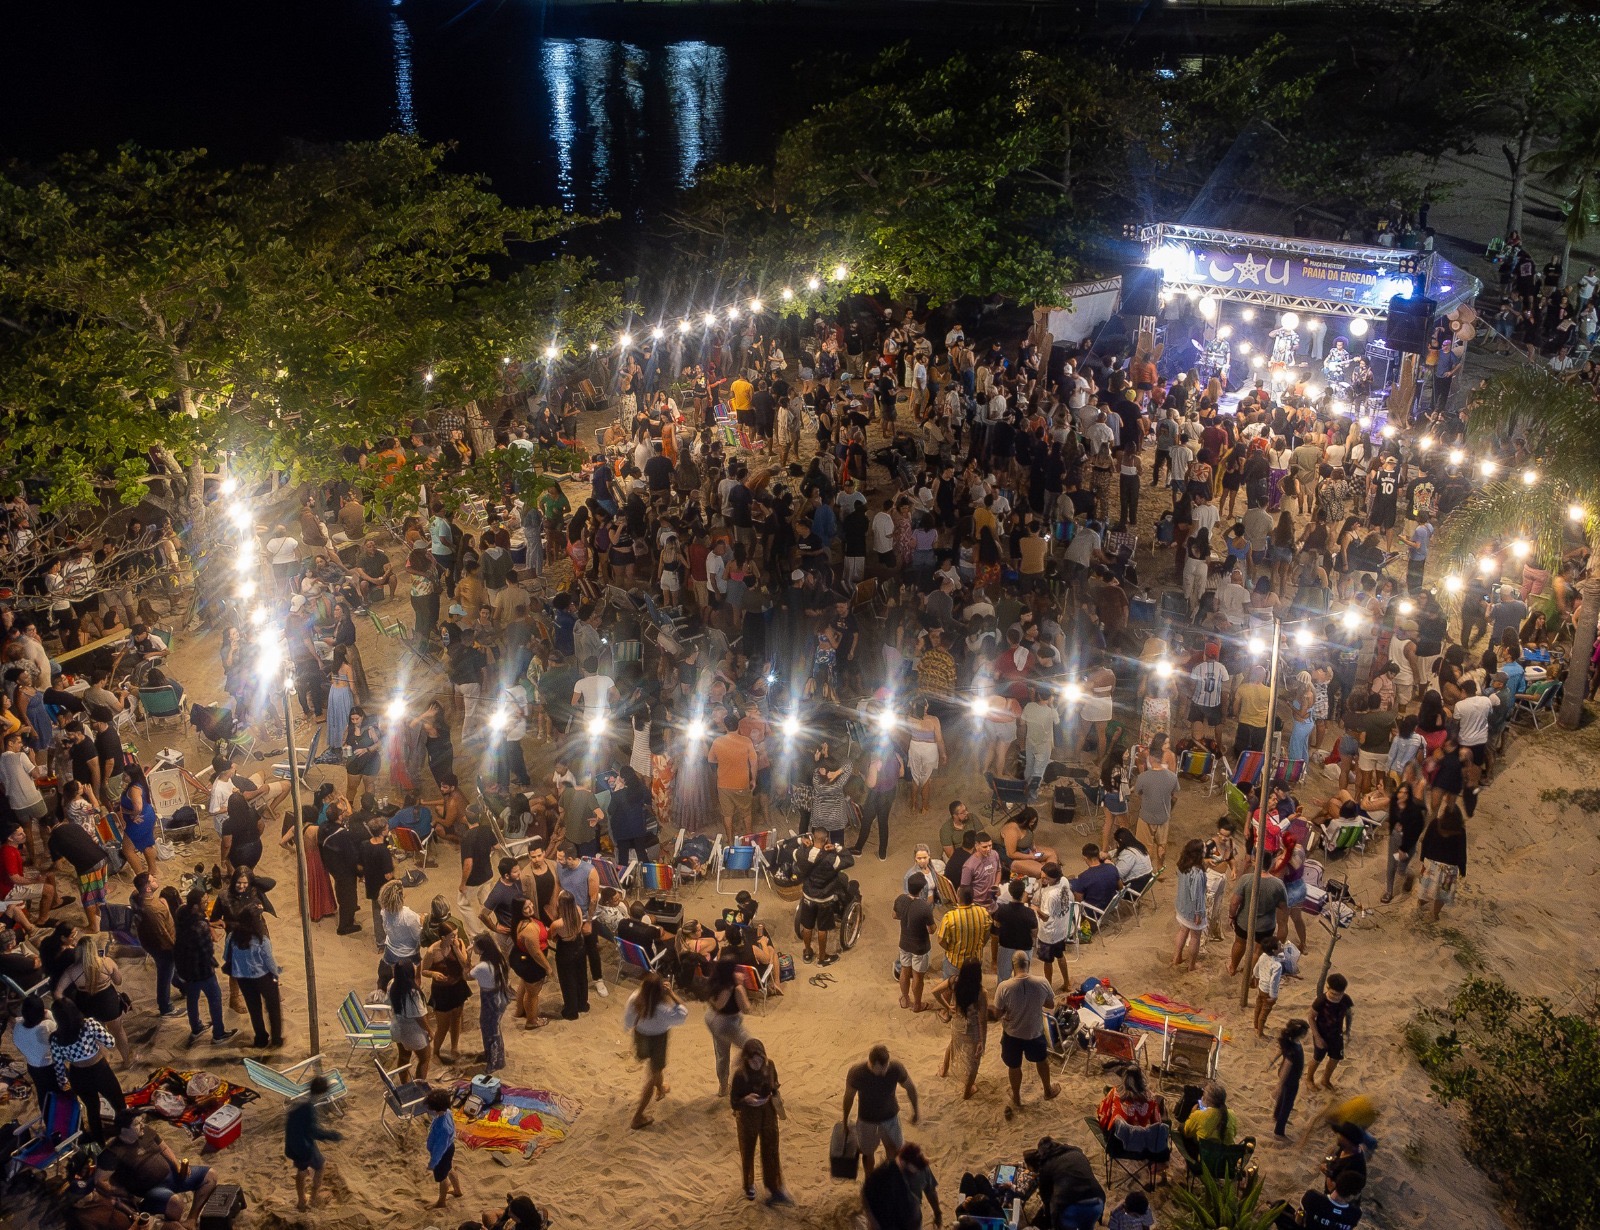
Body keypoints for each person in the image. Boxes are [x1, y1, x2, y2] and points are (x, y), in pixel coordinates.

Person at [97, 1113, 218, 1224]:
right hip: (150, 1190)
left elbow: (164, 1148)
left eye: (141, 1121)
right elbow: (99, 1180)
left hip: (171, 1175)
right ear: (124, 1130)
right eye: (137, 1124)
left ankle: (191, 1219)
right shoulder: (113, 1152)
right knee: (176, 1203)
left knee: (210, 1176)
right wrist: (123, 1193)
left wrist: (177, 1165)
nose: (142, 1125)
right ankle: (172, 1225)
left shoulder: (146, 1132)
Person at [50, 998, 127, 1142]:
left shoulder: (55, 1038)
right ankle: (124, 1132)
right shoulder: (89, 1024)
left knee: (92, 1109)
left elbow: (58, 1064)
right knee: (118, 1102)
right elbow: (111, 1042)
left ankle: (99, 1143)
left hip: (78, 1075)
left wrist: (63, 1082)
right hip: (100, 1070)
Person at [991, 952, 1059, 1111]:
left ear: (1013, 966)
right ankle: (1048, 1090)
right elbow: (1050, 1004)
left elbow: (997, 1014)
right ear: (1028, 964)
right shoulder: (1042, 982)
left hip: (1012, 1034)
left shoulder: (1004, 987)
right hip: (1034, 1032)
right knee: (1041, 1061)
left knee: (1014, 1066)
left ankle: (1016, 1097)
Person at [728, 1037, 791, 1205]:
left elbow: (774, 1084)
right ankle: (748, 1184)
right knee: (748, 1148)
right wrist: (746, 1099)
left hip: (767, 1111)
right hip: (748, 1114)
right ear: (746, 1059)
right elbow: (733, 1101)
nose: (757, 1064)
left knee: (771, 1147)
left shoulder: (769, 1066)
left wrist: (772, 1094)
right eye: (753, 1061)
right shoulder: (740, 1075)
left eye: (760, 1060)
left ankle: (774, 1186)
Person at [623, 971, 689, 1130]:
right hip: (658, 1039)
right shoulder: (662, 1008)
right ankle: (638, 1116)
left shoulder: (635, 998)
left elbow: (628, 1020)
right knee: (653, 1073)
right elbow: (682, 1014)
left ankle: (660, 1088)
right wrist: (672, 994)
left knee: (656, 1069)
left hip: (641, 1036)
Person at [844, 1044, 920, 1172]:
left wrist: (916, 1110)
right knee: (868, 1153)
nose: (884, 1071)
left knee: (895, 1150)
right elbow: (848, 1097)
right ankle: (870, 1180)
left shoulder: (895, 1068)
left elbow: (910, 1087)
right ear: (871, 1064)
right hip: (867, 1120)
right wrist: (845, 1119)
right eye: (880, 1069)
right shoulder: (857, 1073)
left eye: (886, 1067)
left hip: (890, 1117)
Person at [174, 887, 234, 1044]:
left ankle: (196, 1027)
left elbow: (200, 920)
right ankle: (218, 1034)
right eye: (204, 902)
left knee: (192, 998)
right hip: (202, 970)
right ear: (195, 906)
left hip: (185, 967)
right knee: (215, 998)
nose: (207, 905)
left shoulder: (181, 912)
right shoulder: (199, 928)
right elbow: (207, 950)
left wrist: (211, 923)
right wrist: (212, 964)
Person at [796, 826, 854, 967]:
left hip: (808, 895)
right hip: (824, 898)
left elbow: (794, 848)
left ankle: (808, 952)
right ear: (826, 839)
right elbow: (850, 860)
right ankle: (822, 958)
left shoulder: (803, 854)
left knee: (808, 926)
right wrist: (836, 847)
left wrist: (803, 843)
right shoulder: (831, 858)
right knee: (822, 928)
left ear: (813, 838)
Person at [228, 905, 283, 1049]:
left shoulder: (232, 937)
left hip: (243, 979)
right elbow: (269, 962)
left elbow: (227, 956)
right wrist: (276, 974)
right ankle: (276, 1038)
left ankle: (261, 1038)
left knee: (254, 1008)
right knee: (273, 1007)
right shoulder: (261, 940)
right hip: (263, 977)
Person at [286, 1075, 342, 1211]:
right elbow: (314, 1132)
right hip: (304, 1147)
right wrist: (332, 1135)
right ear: (322, 1093)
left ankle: (301, 1201)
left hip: (291, 1145)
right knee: (321, 1166)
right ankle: (313, 1198)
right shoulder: (309, 1108)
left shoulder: (299, 1102)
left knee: (301, 1170)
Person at [1027, 1135, 1105, 1230]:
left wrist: (1050, 1219)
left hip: (1070, 1206)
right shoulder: (1076, 1153)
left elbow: (1046, 1197)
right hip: (1096, 1201)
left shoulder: (1047, 1165)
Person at [861, 1140, 942, 1230]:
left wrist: (937, 1213)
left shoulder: (922, 1168)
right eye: (915, 1169)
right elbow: (867, 1194)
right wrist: (874, 1223)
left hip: (910, 1220)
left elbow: (930, 1191)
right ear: (903, 1164)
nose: (918, 1172)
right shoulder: (882, 1177)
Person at [704, 956, 751, 1097]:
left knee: (721, 1054)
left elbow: (712, 1002)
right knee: (751, 1047)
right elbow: (746, 1008)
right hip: (726, 1023)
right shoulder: (731, 988)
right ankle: (733, 1079)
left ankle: (723, 1086)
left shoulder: (714, 980)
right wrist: (739, 987)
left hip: (712, 1018)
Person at [1416, 804, 1467, 920]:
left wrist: (1422, 858)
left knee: (1425, 889)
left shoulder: (1435, 824)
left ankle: (1420, 906)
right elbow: (1461, 851)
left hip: (1431, 864)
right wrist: (1462, 868)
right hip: (1449, 868)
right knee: (1442, 894)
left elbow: (1426, 842)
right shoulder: (1460, 830)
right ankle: (1434, 913)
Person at [894, 873, 936, 1012]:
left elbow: (894, 915)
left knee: (905, 970)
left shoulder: (900, 899)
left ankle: (905, 999)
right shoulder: (924, 907)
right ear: (922, 889)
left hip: (904, 943)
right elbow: (931, 930)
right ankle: (917, 1004)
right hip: (920, 947)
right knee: (918, 975)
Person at [469, 932, 511, 1072]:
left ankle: (495, 1061)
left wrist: (465, 955)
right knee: (491, 1026)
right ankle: (490, 1055)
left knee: (491, 1030)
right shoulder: (498, 959)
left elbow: (467, 974)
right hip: (499, 996)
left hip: (491, 999)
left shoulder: (483, 966)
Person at [1308, 973, 1354, 1090]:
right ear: (1328, 988)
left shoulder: (1346, 1000)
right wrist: (1317, 1037)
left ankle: (1326, 1079)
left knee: (1336, 1058)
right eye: (1333, 994)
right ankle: (1309, 1078)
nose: (1336, 997)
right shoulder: (1321, 1000)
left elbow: (1349, 1014)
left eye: (1339, 994)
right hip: (1321, 1033)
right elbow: (1311, 1017)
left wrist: (1347, 1030)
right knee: (1317, 1058)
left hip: (1336, 1033)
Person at [1285, 1170, 1366, 1230]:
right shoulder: (1355, 1213)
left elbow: (1298, 1220)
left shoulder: (1312, 1197)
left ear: (1336, 1183)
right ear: (1352, 1195)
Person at [1172, 838, 1208, 971]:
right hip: (1192, 910)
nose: (1206, 851)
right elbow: (1197, 895)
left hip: (1182, 905)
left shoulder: (1183, 865)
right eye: (1204, 849)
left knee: (1183, 930)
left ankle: (1177, 957)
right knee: (1195, 936)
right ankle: (1192, 965)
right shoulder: (1197, 872)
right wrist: (1199, 912)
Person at [423, 1087, 462, 1209]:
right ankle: (457, 1190)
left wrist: (433, 1162)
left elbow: (440, 1148)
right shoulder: (447, 1113)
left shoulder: (442, 1127)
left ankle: (441, 1201)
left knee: (442, 1177)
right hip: (449, 1147)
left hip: (443, 1152)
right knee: (449, 1168)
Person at [1274, 1019, 1311, 1141]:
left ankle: (1276, 1115)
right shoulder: (1294, 1049)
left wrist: (1271, 1062)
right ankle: (1279, 1131)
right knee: (1287, 1104)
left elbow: (1280, 1052)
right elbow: (1286, 1067)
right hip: (1290, 1080)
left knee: (1282, 1099)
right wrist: (1280, 1084)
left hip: (1288, 1079)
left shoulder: (1289, 1042)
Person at [1182, 1081, 1238, 1146]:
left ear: (1208, 1100)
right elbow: (1234, 1133)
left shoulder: (1199, 1115)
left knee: (1182, 1128)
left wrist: (1193, 1112)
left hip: (1205, 1155)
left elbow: (1187, 1132)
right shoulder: (1232, 1114)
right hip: (1227, 1154)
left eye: (1203, 1095)